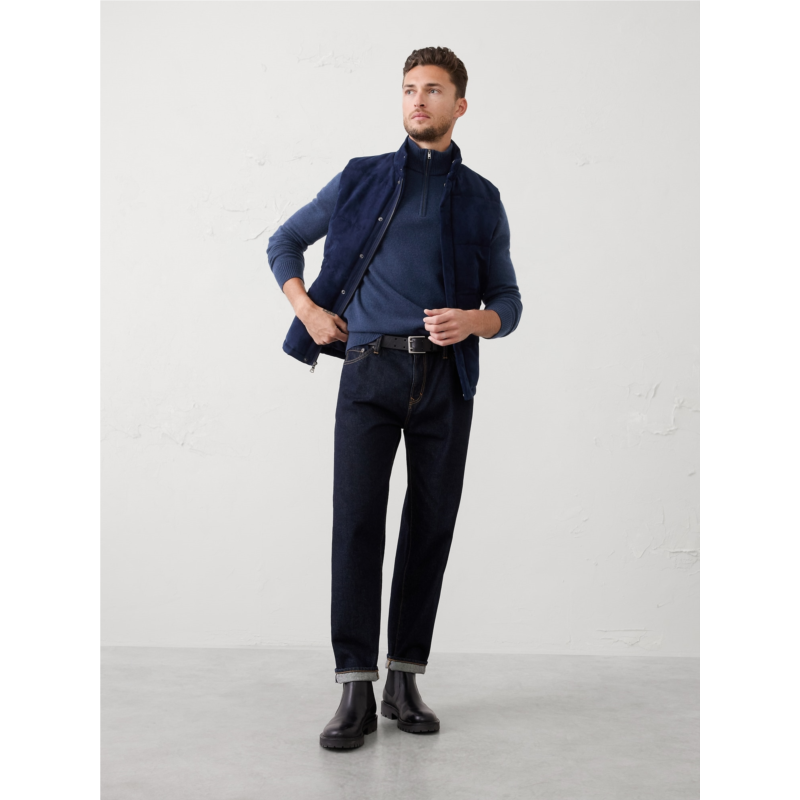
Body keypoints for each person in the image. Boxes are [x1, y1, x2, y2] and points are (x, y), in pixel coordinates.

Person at [267, 46, 523, 749]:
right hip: (369, 372)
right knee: (356, 524)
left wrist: (475, 321)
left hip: (446, 380)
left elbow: (508, 299)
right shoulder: (362, 178)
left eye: (433, 90)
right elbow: (285, 241)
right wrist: (309, 312)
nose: (418, 100)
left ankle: (404, 680)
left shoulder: (482, 198)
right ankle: (355, 686)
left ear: (459, 105)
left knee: (430, 526)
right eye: (409, 89)